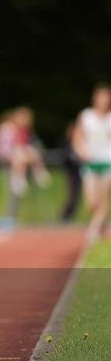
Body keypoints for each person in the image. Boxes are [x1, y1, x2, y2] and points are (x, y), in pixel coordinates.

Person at [72, 85, 111, 243]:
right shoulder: (86, 116)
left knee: (102, 200)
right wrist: (81, 150)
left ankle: (92, 232)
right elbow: (77, 137)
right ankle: (102, 226)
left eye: (106, 97)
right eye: (100, 97)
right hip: (90, 162)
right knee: (91, 203)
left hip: (107, 162)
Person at [59, 122, 82, 222]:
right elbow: (66, 159)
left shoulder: (83, 145)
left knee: (77, 196)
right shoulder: (67, 145)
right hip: (71, 173)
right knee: (72, 196)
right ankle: (64, 216)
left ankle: (70, 216)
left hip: (80, 174)